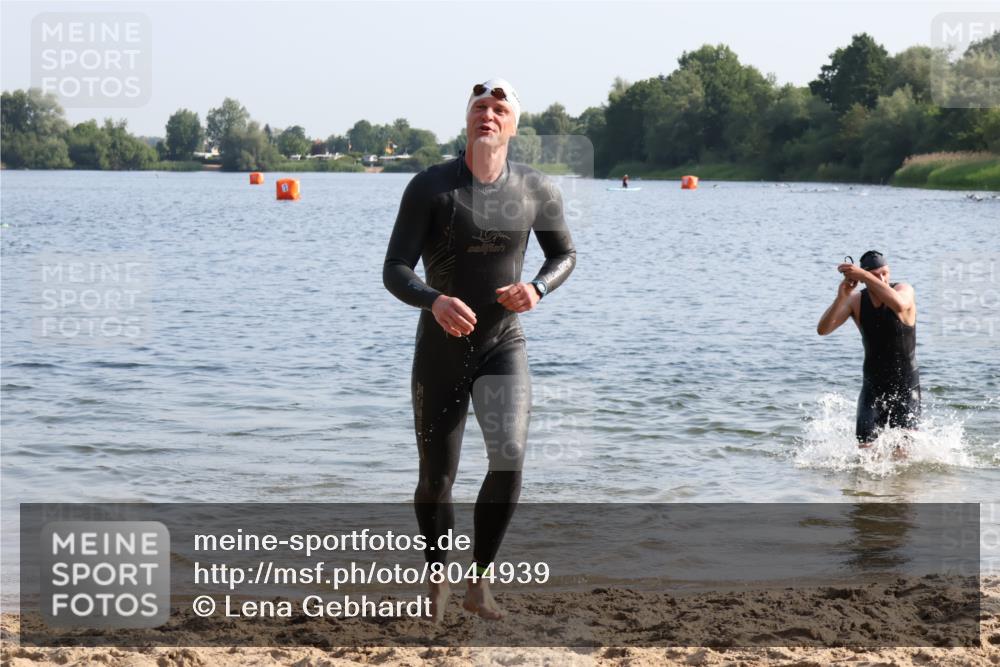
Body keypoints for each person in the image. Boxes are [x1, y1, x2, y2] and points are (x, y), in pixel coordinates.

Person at [383, 78, 576, 622]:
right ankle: (438, 577)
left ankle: (480, 581)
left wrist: (537, 288)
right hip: (441, 347)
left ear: (514, 124)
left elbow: (564, 254)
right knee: (436, 479)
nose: (487, 113)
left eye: (499, 107)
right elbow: (395, 269)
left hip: (502, 342)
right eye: (478, 107)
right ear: (466, 119)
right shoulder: (431, 187)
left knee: (510, 459)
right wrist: (433, 300)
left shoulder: (537, 189)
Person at [816, 250, 921, 448]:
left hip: (906, 385)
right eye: (875, 275)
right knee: (865, 452)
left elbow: (899, 305)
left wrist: (864, 276)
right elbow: (823, 329)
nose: (882, 278)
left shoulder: (903, 290)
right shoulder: (856, 301)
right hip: (873, 386)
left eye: (885, 273)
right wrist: (841, 297)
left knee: (903, 451)